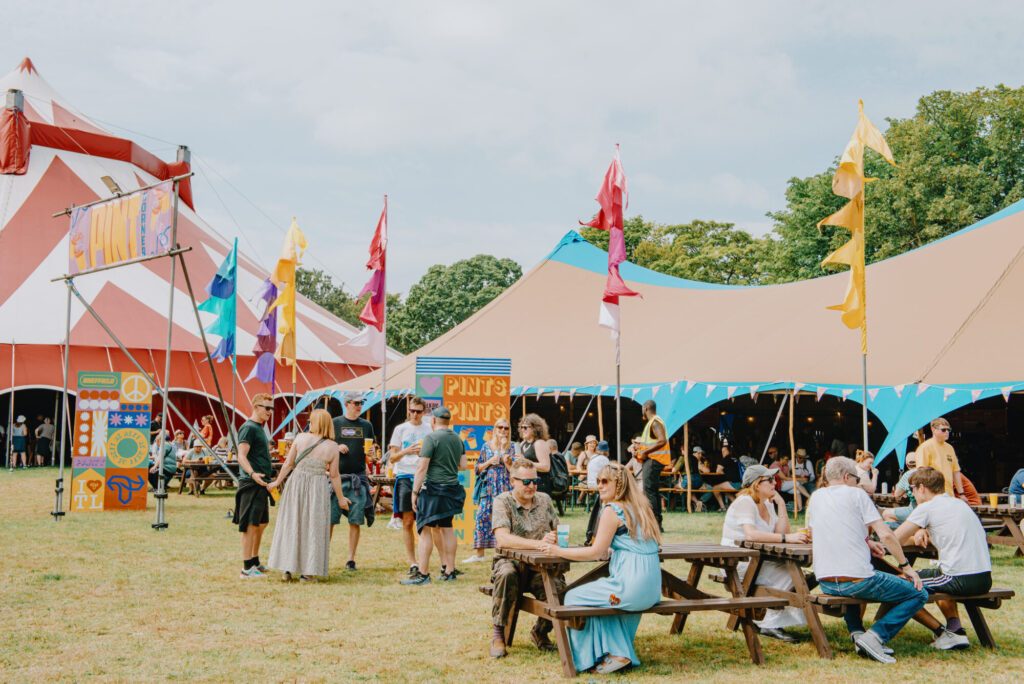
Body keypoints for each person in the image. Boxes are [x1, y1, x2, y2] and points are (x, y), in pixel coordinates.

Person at [540, 462, 661, 674]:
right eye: (597, 481)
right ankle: (615, 653)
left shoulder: (612, 510)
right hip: (652, 588)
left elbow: (595, 553)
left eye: (605, 481)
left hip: (629, 586)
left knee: (573, 597)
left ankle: (601, 657)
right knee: (599, 597)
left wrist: (558, 551)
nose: (599, 486)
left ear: (619, 485)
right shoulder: (642, 509)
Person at [806, 457, 927, 664]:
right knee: (918, 593)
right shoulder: (857, 494)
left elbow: (816, 532)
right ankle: (876, 636)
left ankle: (856, 632)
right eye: (856, 477)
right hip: (857, 581)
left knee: (855, 571)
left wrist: (865, 542)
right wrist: (906, 566)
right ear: (846, 477)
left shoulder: (816, 497)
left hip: (826, 582)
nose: (859, 482)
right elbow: (887, 535)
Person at [893, 467, 992, 650]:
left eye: (912, 490)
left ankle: (944, 633)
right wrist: (921, 529)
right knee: (934, 574)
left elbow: (895, 539)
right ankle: (955, 629)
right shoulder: (958, 504)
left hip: (960, 577)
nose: (911, 495)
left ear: (921, 488)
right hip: (984, 577)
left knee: (895, 585)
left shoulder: (927, 507)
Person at [720, 465, 809, 642]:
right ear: (756, 485)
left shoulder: (767, 503)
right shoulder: (745, 502)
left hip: (759, 558)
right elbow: (751, 535)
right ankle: (769, 624)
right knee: (791, 576)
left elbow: (780, 531)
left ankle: (770, 621)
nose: (774, 482)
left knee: (795, 573)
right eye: (769, 480)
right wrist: (787, 539)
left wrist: (781, 504)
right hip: (738, 562)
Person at [487, 458, 563, 658]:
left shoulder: (544, 500)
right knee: (506, 574)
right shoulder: (502, 501)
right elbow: (502, 539)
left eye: (535, 481)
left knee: (559, 586)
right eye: (526, 482)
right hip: (510, 561)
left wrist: (555, 538)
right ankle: (498, 634)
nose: (532, 486)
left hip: (540, 566)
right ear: (512, 481)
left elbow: (558, 529)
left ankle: (540, 630)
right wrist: (539, 543)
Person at [266, 409, 350, 582]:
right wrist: (341, 499)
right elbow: (334, 475)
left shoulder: (300, 438)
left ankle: (287, 569)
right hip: (317, 486)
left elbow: (288, 464)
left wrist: (277, 482)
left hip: (296, 482)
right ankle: (308, 572)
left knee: (292, 522)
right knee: (313, 525)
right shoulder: (332, 447)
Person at [402, 406, 467, 585]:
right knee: (447, 528)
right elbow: (463, 465)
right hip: (452, 488)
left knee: (424, 530)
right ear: (449, 421)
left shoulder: (431, 438)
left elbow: (422, 467)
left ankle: (423, 574)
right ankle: (450, 570)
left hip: (433, 490)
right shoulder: (457, 439)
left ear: (432, 421)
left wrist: (414, 492)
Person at [389, 396, 434, 576]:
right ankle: (413, 562)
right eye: (412, 411)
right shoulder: (400, 429)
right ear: (408, 410)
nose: (415, 414)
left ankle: (425, 562)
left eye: (418, 411)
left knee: (425, 522)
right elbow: (392, 458)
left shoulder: (429, 428)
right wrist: (407, 450)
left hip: (424, 476)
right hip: (405, 475)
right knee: (408, 521)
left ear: (424, 412)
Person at [331, 390, 375, 571]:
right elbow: (323, 444)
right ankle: (322, 555)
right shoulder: (335, 423)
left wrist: (371, 454)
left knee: (356, 520)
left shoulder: (367, 425)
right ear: (346, 403)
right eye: (356, 403)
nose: (359, 407)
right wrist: (336, 446)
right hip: (337, 477)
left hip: (358, 476)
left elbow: (371, 451)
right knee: (330, 519)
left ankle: (351, 559)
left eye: (361, 403)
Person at [233, 394, 276, 579]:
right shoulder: (248, 427)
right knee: (250, 525)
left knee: (262, 523)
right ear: (255, 406)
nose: (270, 412)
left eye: (271, 408)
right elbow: (240, 455)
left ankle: (255, 560)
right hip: (250, 483)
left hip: (261, 483)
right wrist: (252, 473)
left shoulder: (259, 427)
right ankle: (246, 568)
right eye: (266, 408)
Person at [466, 417, 515, 563]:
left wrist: (507, 462)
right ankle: (479, 555)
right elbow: (477, 468)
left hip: (505, 486)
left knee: (505, 519)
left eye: (506, 428)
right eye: (500, 427)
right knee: (482, 517)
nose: (503, 431)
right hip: (488, 487)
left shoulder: (513, 447)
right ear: (495, 429)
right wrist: (488, 462)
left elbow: (515, 471)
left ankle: (502, 551)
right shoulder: (487, 446)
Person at [636, 399, 670, 532]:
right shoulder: (653, 422)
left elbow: (662, 440)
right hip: (653, 459)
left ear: (645, 408)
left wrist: (645, 451)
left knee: (649, 491)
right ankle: (656, 523)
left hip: (654, 460)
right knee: (653, 491)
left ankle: (654, 523)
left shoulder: (655, 422)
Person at [915, 417, 965, 498]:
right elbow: (921, 473)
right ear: (933, 430)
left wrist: (961, 494)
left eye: (948, 430)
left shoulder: (950, 448)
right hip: (933, 494)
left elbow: (956, 472)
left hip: (949, 493)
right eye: (943, 430)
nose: (947, 432)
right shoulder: (925, 447)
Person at [517, 413, 551, 494]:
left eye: (525, 427)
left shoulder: (539, 443)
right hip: (526, 484)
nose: (523, 430)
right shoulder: (522, 444)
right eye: (521, 427)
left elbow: (546, 467)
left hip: (539, 485)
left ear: (535, 428)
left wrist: (526, 461)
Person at [882, 452, 918, 524]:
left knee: (886, 514)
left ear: (907, 465)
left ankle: (902, 533)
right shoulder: (925, 472)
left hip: (915, 508)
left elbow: (897, 494)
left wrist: (905, 491)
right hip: (928, 507)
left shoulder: (908, 474)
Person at [705, 445, 742, 510]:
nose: (723, 453)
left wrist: (724, 473)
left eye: (724, 451)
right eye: (722, 451)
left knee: (715, 488)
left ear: (729, 451)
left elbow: (718, 471)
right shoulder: (735, 458)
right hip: (741, 483)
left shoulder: (726, 458)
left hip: (734, 484)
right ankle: (736, 505)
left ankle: (722, 507)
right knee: (724, 489)